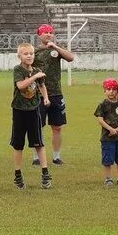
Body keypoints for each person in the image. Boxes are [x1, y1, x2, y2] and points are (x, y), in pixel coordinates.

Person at [31, 24, 74, 165]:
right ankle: (36, 157)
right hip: (38, 94)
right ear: (39, 35)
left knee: (57, 127)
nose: (48, 35)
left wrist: (55, 47)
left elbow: (70, 58)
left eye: (50, 32)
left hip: (56, 93)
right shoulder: (34, 51)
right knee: (38, 125)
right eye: (45, 32)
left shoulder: (57, 50)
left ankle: (56, 156)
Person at [11, 43, 51, 190]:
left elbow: (41, 85)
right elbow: (21, 85)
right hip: (19, 110)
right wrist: (35, 76)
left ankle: (45, 173)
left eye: (31, 53)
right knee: (18, 144)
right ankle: (18, 174)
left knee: (38, 142)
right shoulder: (18, 70)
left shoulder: (37, 70)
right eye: (25, 53)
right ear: (19, 56)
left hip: (34, 110)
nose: (29, 56)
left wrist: (45, 98)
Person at [94, 77, 118, 187]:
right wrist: (110, 129)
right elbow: (100, 119)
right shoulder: (102, 104)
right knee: (107, 159)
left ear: (117, 91)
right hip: (107, 138)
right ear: (104, 91)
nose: (111, 92)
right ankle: (108, 178)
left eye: (113, 89)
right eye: (108, 89)